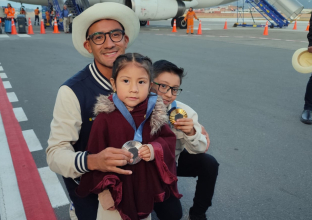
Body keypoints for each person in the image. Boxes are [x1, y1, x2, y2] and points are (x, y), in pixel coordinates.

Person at [46, 2, 141, 219]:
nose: (109, 43)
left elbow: (160, 107)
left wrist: (189, 125)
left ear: (125, 40)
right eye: (99, 37)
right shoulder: (73, 91)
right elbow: (55, 155)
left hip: (136, 184)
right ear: (88, 46)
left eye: (115, 35)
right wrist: (94, 161)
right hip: (94, 194)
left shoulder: (140, 78)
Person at [76, 53, 181, 220]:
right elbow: (95, 155)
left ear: (150, 85)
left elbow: (168, 140)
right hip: (114, 192)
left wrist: (154, 149)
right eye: (126, 81)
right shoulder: (105, 117)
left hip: (143, 188)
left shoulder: (154, 113)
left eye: (141, 82)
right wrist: (104, 193)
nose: (134, 89)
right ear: (114, 83)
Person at [150, 60, 219, 220]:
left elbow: (200, 148)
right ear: (149, 83)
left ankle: (197, 214)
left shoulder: (183, 111)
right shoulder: (136, 105)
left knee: (209, 164)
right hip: (144, 168)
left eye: (174, 89)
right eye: (163, 86)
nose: (169, 94)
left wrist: (191, 132)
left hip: (171, 163)